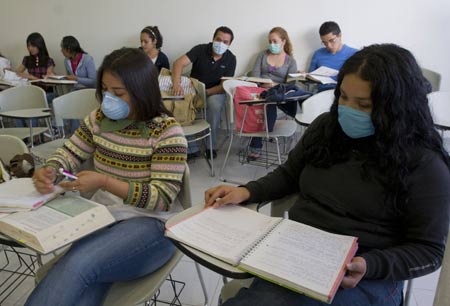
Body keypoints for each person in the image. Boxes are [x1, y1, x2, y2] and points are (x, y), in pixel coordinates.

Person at [205, 44, 450, 306]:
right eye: (343, 97)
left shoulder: (425, 164)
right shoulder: (326, 129)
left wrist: (370, 265)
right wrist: (247, 190)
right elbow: (289, 175)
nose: (348, 109)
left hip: (366, 274)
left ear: (397, 107)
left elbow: (429, 251)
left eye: (363, 104)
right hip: (298, 254)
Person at [25, 48, 187, 306]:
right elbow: (71, 151)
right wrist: (52, 169)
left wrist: (105, 182)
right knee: (85, 276)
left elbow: (162, 199)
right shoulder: (99, 119)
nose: (109, 98)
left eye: (119, 93)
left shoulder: (166, 131)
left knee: (79, 265)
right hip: (105, 217)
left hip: (153, 225)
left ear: (141, 90)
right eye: (105, 89)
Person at [172, 26, 237, 159]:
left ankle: (210, 146)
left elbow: (223, 85)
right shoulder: (200, 49)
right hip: (193, 89)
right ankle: (192, 148)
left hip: (215, 92)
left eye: (225, 42)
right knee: (181, 101)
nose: (221, 43)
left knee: (214, 104)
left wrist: (205, 93)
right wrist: (177, 83)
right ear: (213, 39)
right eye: (218, 39)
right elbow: (178, 63)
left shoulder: (231, 59)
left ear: (229, 44)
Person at [247, 26, 297, 160]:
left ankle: (256, 145)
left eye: (275, 41)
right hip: (259, 90)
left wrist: (274, 85)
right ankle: (263, 136)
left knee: (269, 103)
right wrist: (264, 84)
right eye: (270, 41)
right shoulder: (262, 55)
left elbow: (291, 85)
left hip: (278, 94)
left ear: (283, 41)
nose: (271, 44)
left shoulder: (290, 61)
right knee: (262, 102)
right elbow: (254, 76)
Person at [60, 35, 97, 133]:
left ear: (68, 49)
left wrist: (77, 78)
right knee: (63, 101)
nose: (61, 51)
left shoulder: (87, 59)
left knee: (73, 103)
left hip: (88, 90)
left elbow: (93, 80)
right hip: (75, 90)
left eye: (62, 48)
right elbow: (71, 79)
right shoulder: (66, 61)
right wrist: (63, 79)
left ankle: (74, 134)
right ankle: (68, 133)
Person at [309, 21, 357, 91]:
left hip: (344, 93)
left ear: (339, 35)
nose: (329, 46)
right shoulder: (318, 54)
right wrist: (304, 76)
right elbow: (311, 78)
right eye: (324, 42)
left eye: (331, 40)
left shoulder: (354, 54)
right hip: (321, 94)